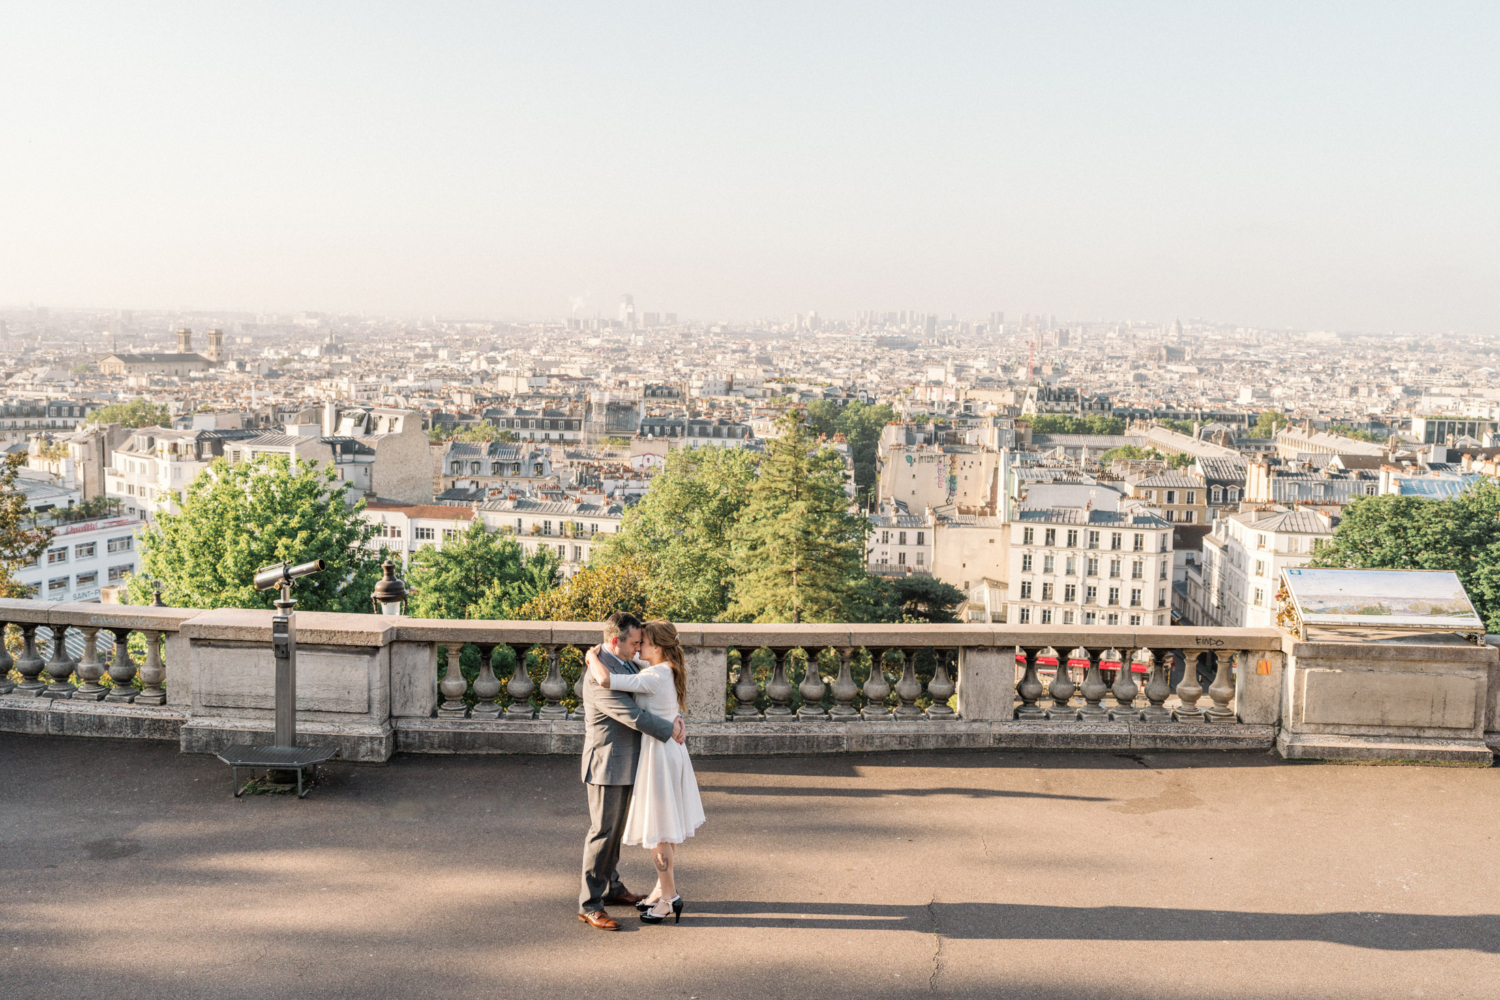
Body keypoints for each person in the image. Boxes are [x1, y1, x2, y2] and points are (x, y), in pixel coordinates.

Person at [584, 619, 705, 925]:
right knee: (605, 834)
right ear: (616, 643)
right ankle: (590, 904)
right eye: (635, 643)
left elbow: (651, 692)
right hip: (609, 764)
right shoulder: (609, 672)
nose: (639, 649)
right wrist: (672, 723)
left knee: (650, 829)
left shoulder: (631, 666)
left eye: (643, 643)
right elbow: (633, 715)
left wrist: (674, 717)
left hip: (648, 759)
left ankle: (626, 890)